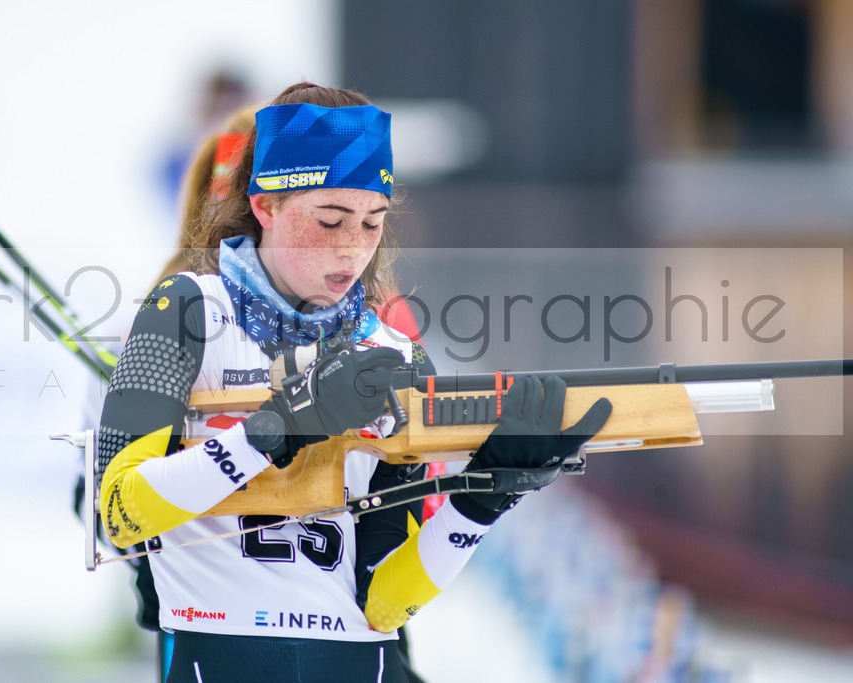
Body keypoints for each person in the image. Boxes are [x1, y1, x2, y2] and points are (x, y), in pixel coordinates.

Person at [97, 81, 612, 682]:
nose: (353, 247)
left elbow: (385, 601)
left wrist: (483, 497)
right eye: (331, 219)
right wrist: (277, 431)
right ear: (266, 206)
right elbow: (118, 513)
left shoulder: (393, 352)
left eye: (372, 222)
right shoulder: (185, 310)